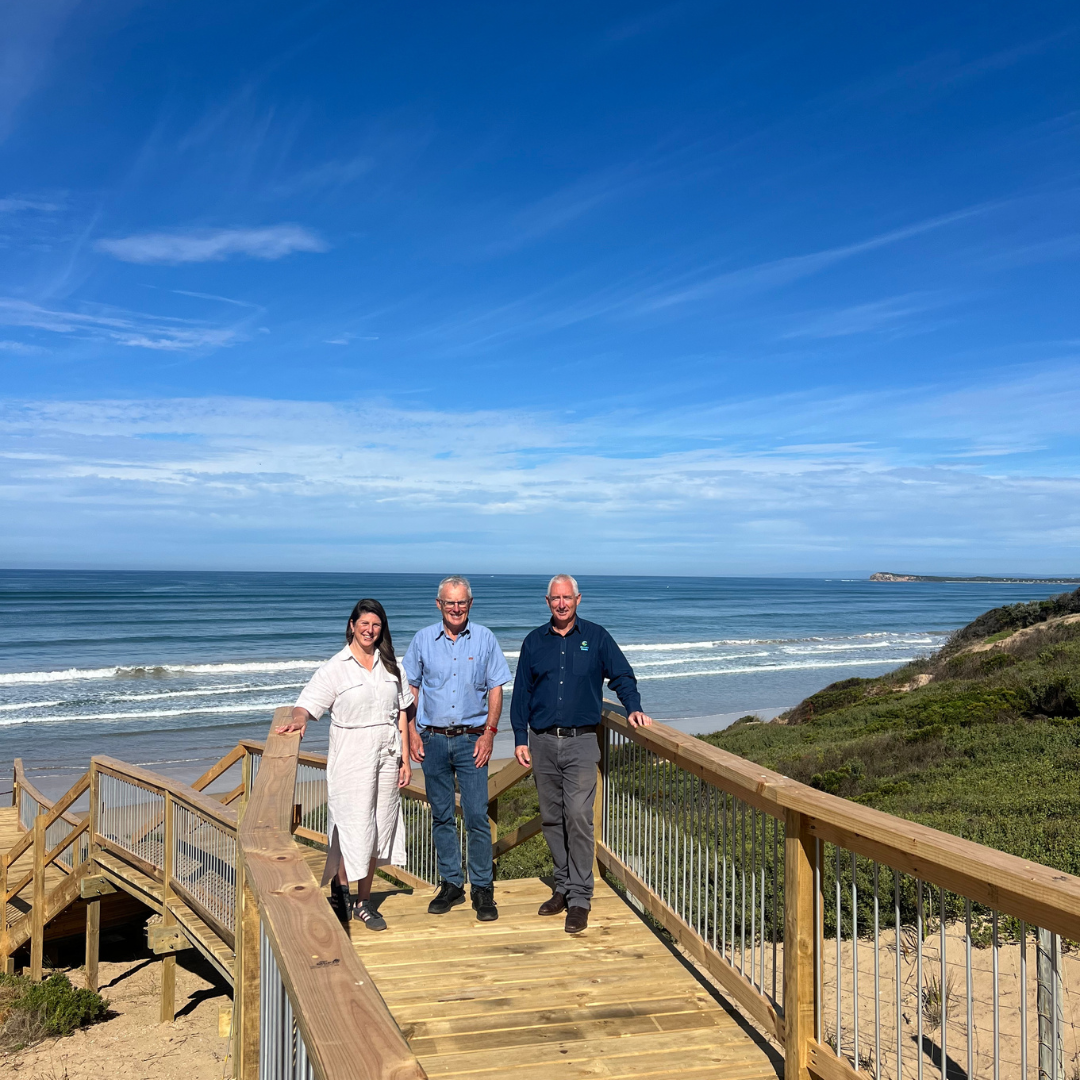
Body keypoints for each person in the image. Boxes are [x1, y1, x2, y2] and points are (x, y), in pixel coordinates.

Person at [511, 574, 652, 934]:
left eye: (567, 597)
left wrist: (633, 707)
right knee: (551, 818)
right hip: (542, 741)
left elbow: (622, 676)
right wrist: (520, 737)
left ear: (578, 599)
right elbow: (521, 693)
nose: (561, 604)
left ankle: (580, 897)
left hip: (582, 741)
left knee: (577, 815)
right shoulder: (533, 641)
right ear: (547, 602)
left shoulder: (597, 637)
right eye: (555, 598)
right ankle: (561, 886)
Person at [276, 599, 412, 931]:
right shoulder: (335, 668)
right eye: (364, 623)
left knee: (379, 825)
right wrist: (299, 719)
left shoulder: (392, 666)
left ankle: (363, 902)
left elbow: (402, 713)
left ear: (382, 629)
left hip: (387, 756)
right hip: (351, 757)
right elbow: (306, 704)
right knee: (352, 825)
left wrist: (405, 759)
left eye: (376, 624)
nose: (370, 630)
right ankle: (341, 889)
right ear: (352, 625)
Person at [403, 576, 511, 922]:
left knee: (477, 815)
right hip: (432, 740)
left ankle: (481, 887)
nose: (455, 608)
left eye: (461, 602)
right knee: (442, 815)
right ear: (439, 604)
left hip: (471, 740)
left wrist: (489, 734)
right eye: (449, 602)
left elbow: (496, 688)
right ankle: (451, 883)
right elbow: (410, 690)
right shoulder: (422, 640)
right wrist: (412, 733)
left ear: (470, 603)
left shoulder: (485, 638)